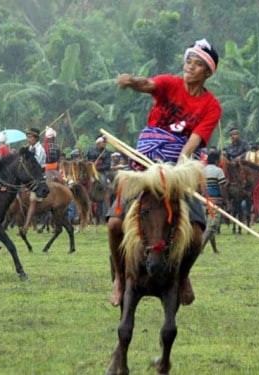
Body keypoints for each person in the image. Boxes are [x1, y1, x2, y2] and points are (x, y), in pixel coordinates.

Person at [109, 38, 221, 307]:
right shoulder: (170, 83)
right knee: (114, 224)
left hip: (179, 168)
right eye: (188, 62)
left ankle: (183, 275)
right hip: (144, 162)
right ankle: (120, 279)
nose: (189, 67)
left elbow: (193, 142)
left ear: (207, 71)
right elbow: (148, 85)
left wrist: (179, 165)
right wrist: (132, 82)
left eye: (196, 64)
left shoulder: (211, 106)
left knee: (195, 235)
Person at [201, 151, 228, 253]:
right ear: (216, 161)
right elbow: (222, 188)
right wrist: (226, 200)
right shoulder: (219, 171)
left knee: (209, 226)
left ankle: (215, 249)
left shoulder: (202, 170)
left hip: (205, 201)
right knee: (211, 227)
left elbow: (201, 187)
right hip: (216, 201)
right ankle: (201, 248)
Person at [22, 127, 46, 233]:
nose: (28, 139)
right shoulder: (30, 148)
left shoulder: (39, 149)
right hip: (28, 177)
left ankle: (26, 227)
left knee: (32, 200)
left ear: (36, 138)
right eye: (27, 137)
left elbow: (35, 165)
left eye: (30, 137)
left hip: (38, 177)